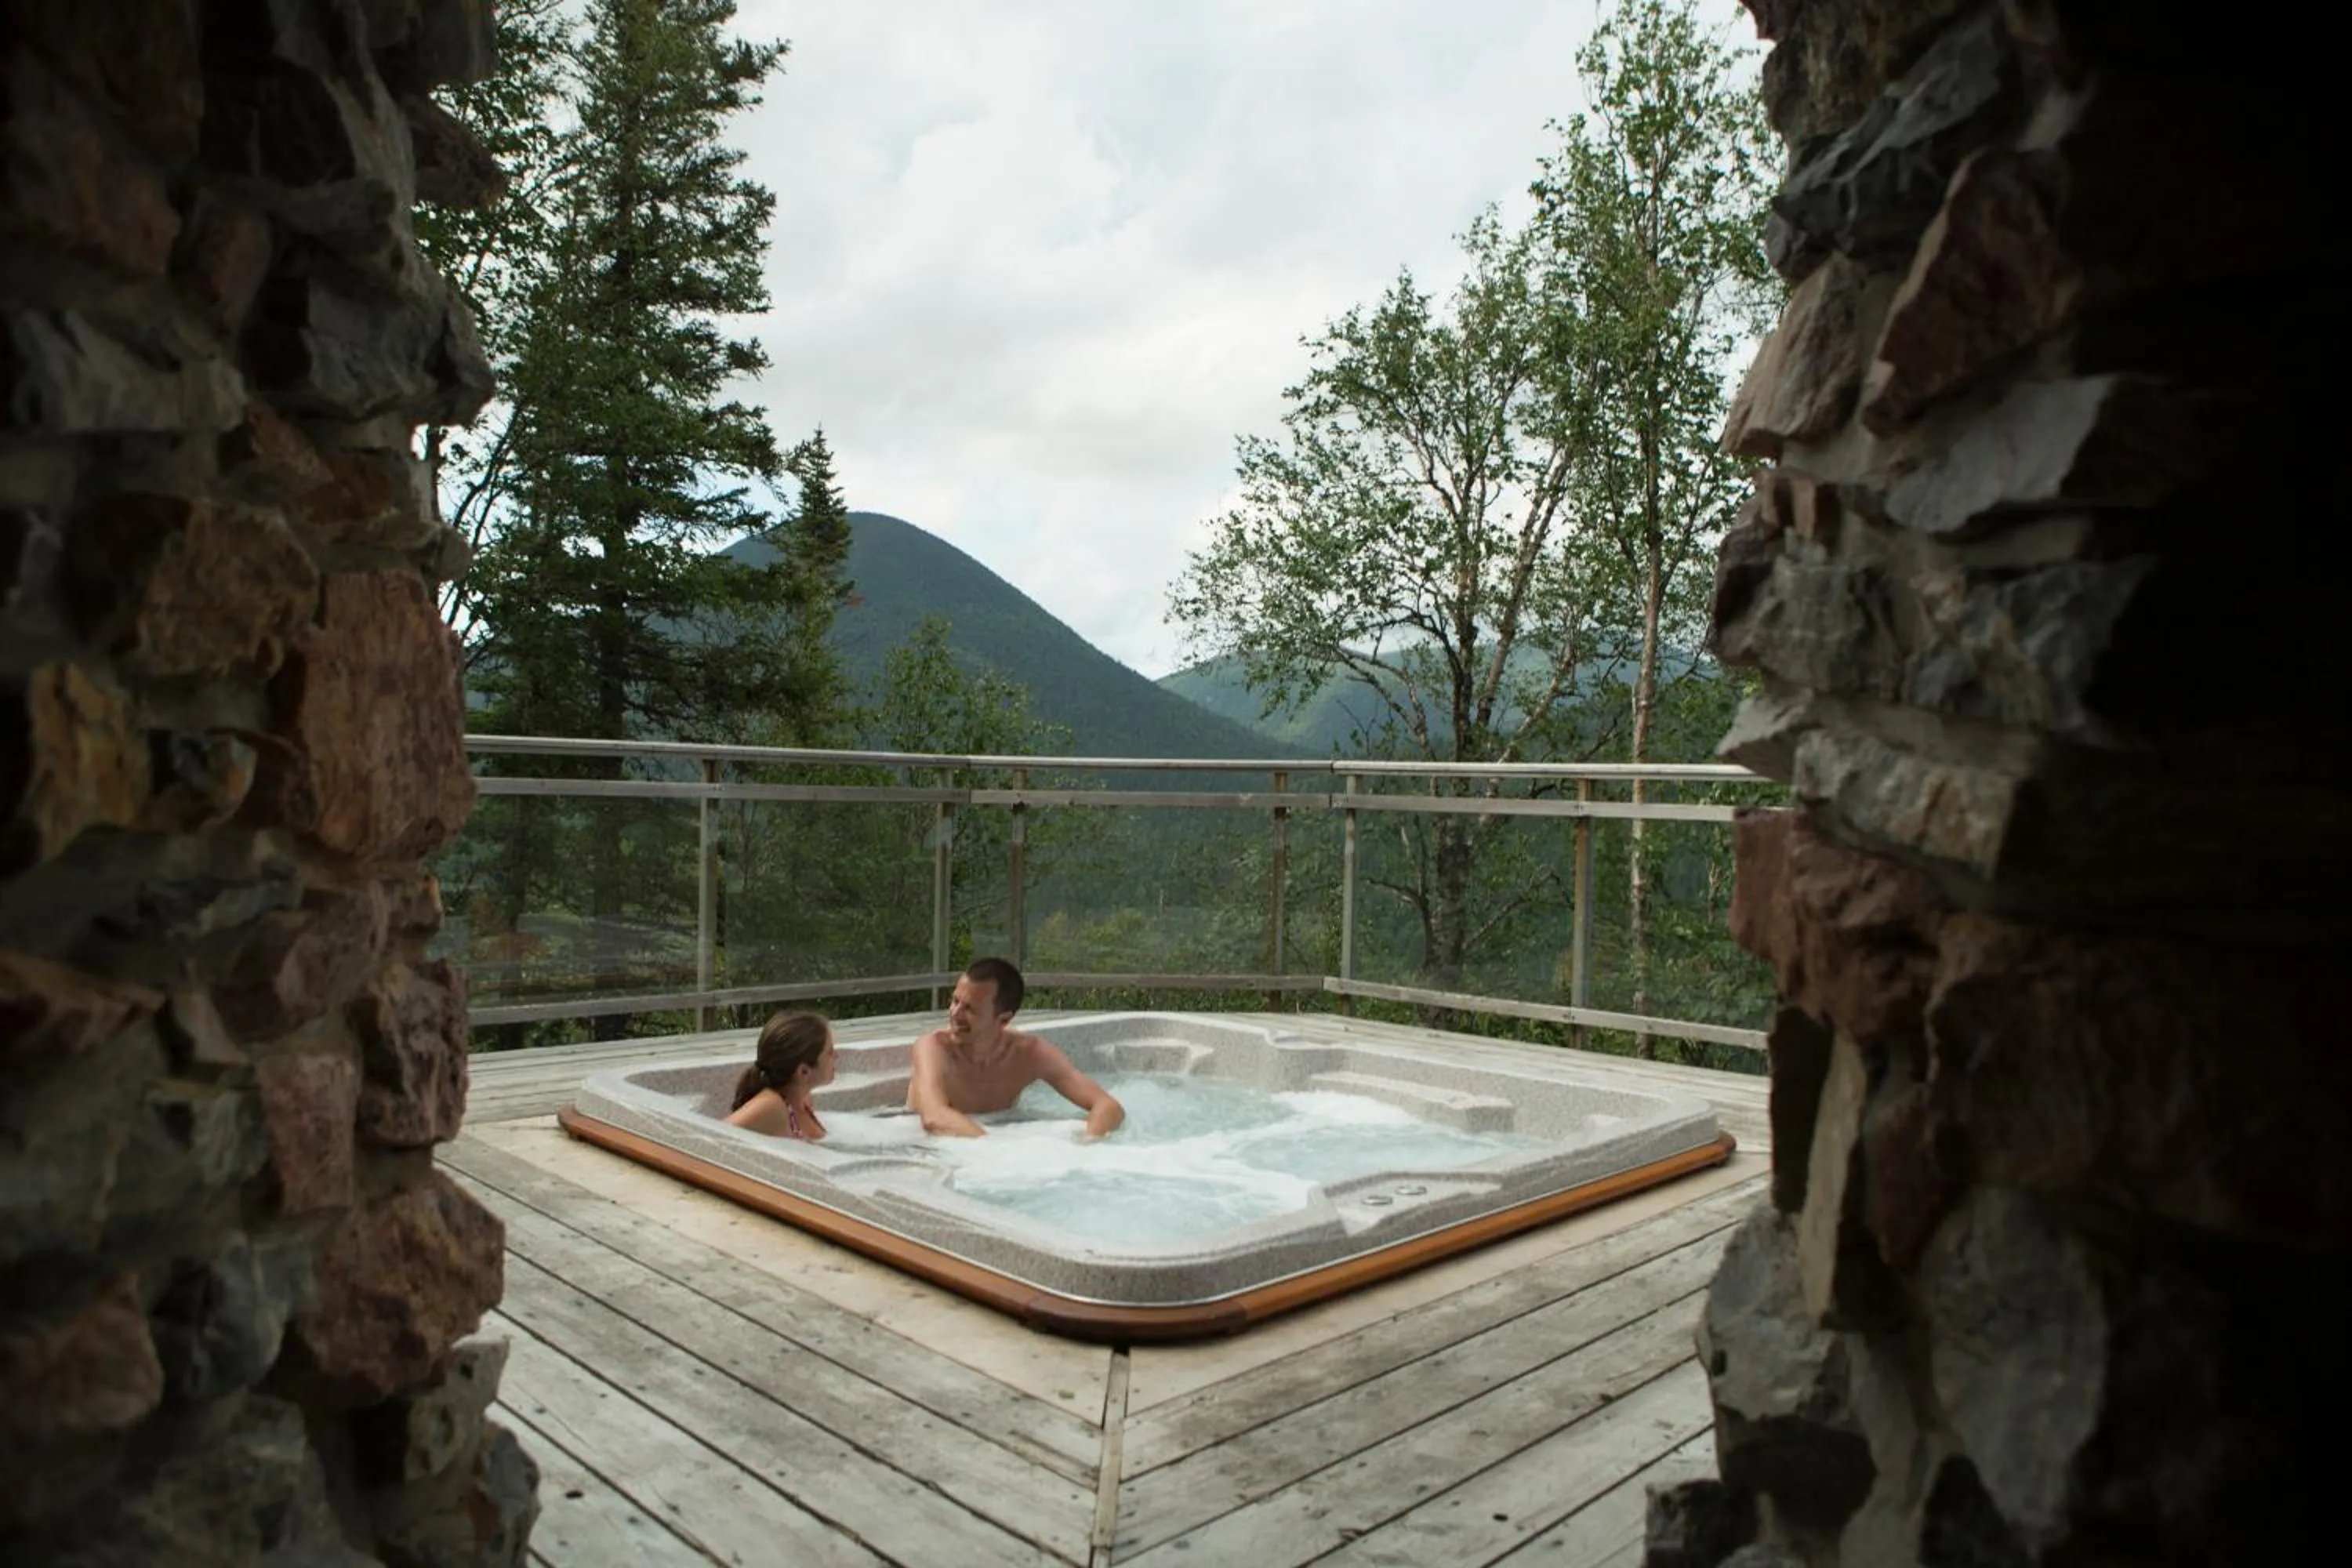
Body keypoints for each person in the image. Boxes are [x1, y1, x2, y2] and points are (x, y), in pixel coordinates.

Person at [906, 957, 1124, 1139]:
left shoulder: (1029, 1053)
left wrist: (1088, 1145)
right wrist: (1000, 1151)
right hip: (917, 1141)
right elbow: (933, 1117)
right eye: (955, 1001)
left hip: (995, 1132)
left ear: (1003, 1020)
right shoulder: (933, 1048)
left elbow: (1108, 1107)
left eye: (970, 1009)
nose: (955, 1013)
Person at [726, 1010, 838, 1141]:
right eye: (830, 1052)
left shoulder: (802, 1098)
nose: (837, 1055)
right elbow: (708, 1140)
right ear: (803, 1072)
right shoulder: (772, 1105)